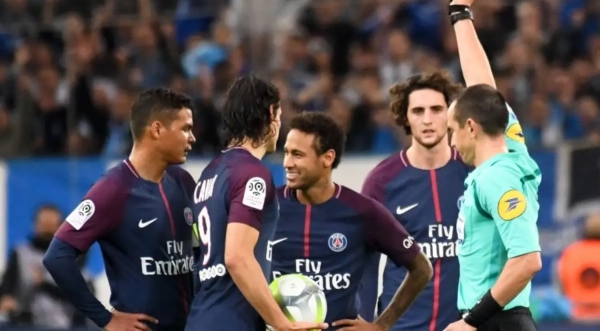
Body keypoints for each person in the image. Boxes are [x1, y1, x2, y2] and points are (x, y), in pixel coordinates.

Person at [44, 87, 197, 331]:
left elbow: (197, 250)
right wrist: (105, 318)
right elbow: (57, 256)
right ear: (157, 129)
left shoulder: (183, 182)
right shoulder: (112, 190)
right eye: (185, 129)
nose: (192, 138)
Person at [185, 75, 327, 331]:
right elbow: (237, 257)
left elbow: (198, 257)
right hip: (232, 322)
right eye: (280, 115)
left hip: (202, 317)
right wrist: (281, 323)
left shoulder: (209, 174)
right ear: (270, 114)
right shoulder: (253, 174)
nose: (281, 125)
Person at [443, 0, 542, 331]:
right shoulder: (511, 145)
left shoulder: (497, 178)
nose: (451, 143)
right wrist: (460, 12)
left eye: (452, 131)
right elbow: (482, 87)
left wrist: (471, 321)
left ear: (471, 127)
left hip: (496, 322)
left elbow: (528, 260)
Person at [271, 111, 432, 331]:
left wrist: (381, 325)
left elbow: (422, 269)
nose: (287, 163)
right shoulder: (268, 207)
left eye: (297, 155)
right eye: (287, 153)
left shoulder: (363, 212)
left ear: (327, 158)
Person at [358, 71, 468, 331]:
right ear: (405, 117)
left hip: (464, 325)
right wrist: (365, 320)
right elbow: (366, 263)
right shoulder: (381, 181)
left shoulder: (473, 171)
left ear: (451, 114)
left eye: (436, 109)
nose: (427, 119)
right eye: (418, 111)